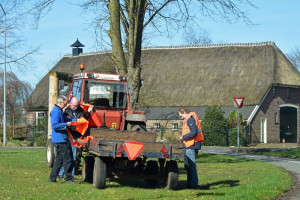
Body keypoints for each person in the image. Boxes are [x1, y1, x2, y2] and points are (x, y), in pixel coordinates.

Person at [58, 97, 93, 179]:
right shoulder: (66, 111)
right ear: (71, 104)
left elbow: (84, 119)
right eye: (74, 106)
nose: (76, 107)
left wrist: (88, 112)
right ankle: (60, 173)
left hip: (76, 136)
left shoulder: (80, 110)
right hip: (67, 135)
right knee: (66, 156)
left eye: (77, 106)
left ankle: (71, 175)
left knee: (74, 156)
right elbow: (64, 121)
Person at [48, 95, 76, 183]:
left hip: (60, 139)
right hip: (60, 139)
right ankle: (68, 178)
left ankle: (52, 178)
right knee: (67, 158)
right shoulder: (56, 111)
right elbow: (54, 125)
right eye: (65, 103)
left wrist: (76, 120)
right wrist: (66, 125)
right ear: (60, 103)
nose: (66, 104)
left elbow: (65, 119)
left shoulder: (59, 111)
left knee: (59, 160)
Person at [178, 107, 204, 189]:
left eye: (181, 116)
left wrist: (183, 137)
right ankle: (190, 184)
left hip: (191, 145)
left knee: (192, 166)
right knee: (189, 166)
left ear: (185, 112)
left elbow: (193, 133)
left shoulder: (190, 119)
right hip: (190, 145)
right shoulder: (189, 119)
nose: (181, 118)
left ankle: (194, 185)